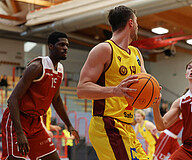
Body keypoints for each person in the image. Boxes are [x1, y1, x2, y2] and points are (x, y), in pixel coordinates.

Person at [77, 5, 152, 160]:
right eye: (137, 22)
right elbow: (82, 89)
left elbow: (144, 84)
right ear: (131, 23)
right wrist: (114, 91)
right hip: (107, 124)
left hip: (127, 125)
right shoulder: (104, 49)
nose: (138, 26)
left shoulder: (136, 54)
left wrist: (153, 93)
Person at [1, 32, 80, 160]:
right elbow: (12, 100)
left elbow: (57, 99)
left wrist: (69, 125)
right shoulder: (37, 67)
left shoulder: (60, 69)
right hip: (18, 120)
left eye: (67, 45)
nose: (65, 48)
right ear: (50, 46)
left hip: (36, 123)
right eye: (61, 44)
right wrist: (20, 132)